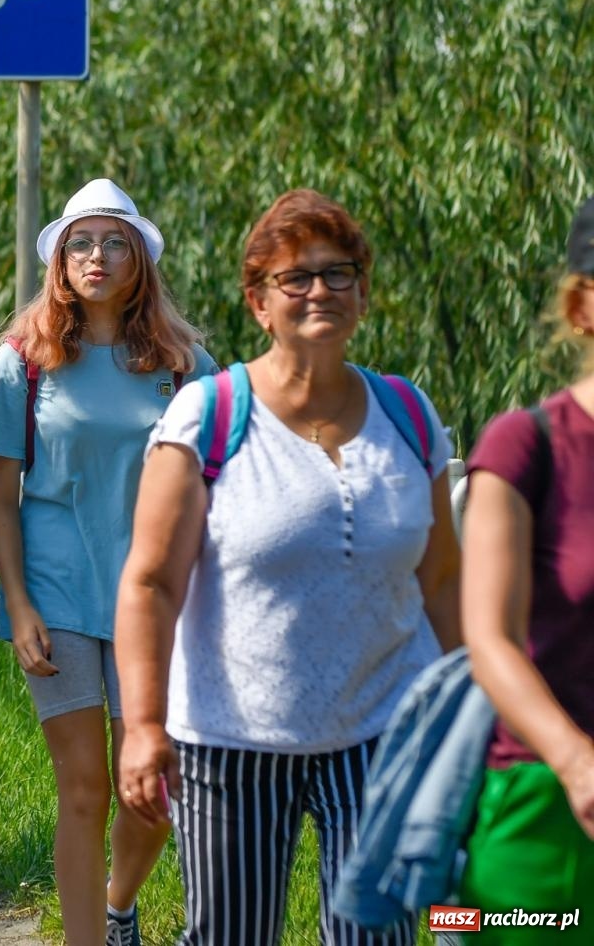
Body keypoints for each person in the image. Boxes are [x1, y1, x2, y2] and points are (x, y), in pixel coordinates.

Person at [114, 188, 462, 946]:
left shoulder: (409, 414)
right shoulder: (208, 417)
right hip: (233, 735)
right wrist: (142, 726)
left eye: (339, 274)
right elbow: (150, 582)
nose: (319, 292)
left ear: (364, 292)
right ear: (257, 301)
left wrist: (475, 714)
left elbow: (441, 581)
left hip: (385, 730)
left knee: (379, 936)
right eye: (293, 277)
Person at [0, 178, 214, 946]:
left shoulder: (185, 364)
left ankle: (119, 905)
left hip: (156, 602)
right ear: (60, 260)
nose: (96, 256)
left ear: (139, 258)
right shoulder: (23, 361)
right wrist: (19, 604)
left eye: (113, 242)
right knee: (82, 790)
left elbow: (215, 493)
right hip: (57, 597)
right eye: (80, 242)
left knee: (149, 792)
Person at [456, 198, 594, 933]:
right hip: (546, 807)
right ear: (582, 307)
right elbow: (491, 640)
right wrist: (577, 762)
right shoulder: (525, 446)